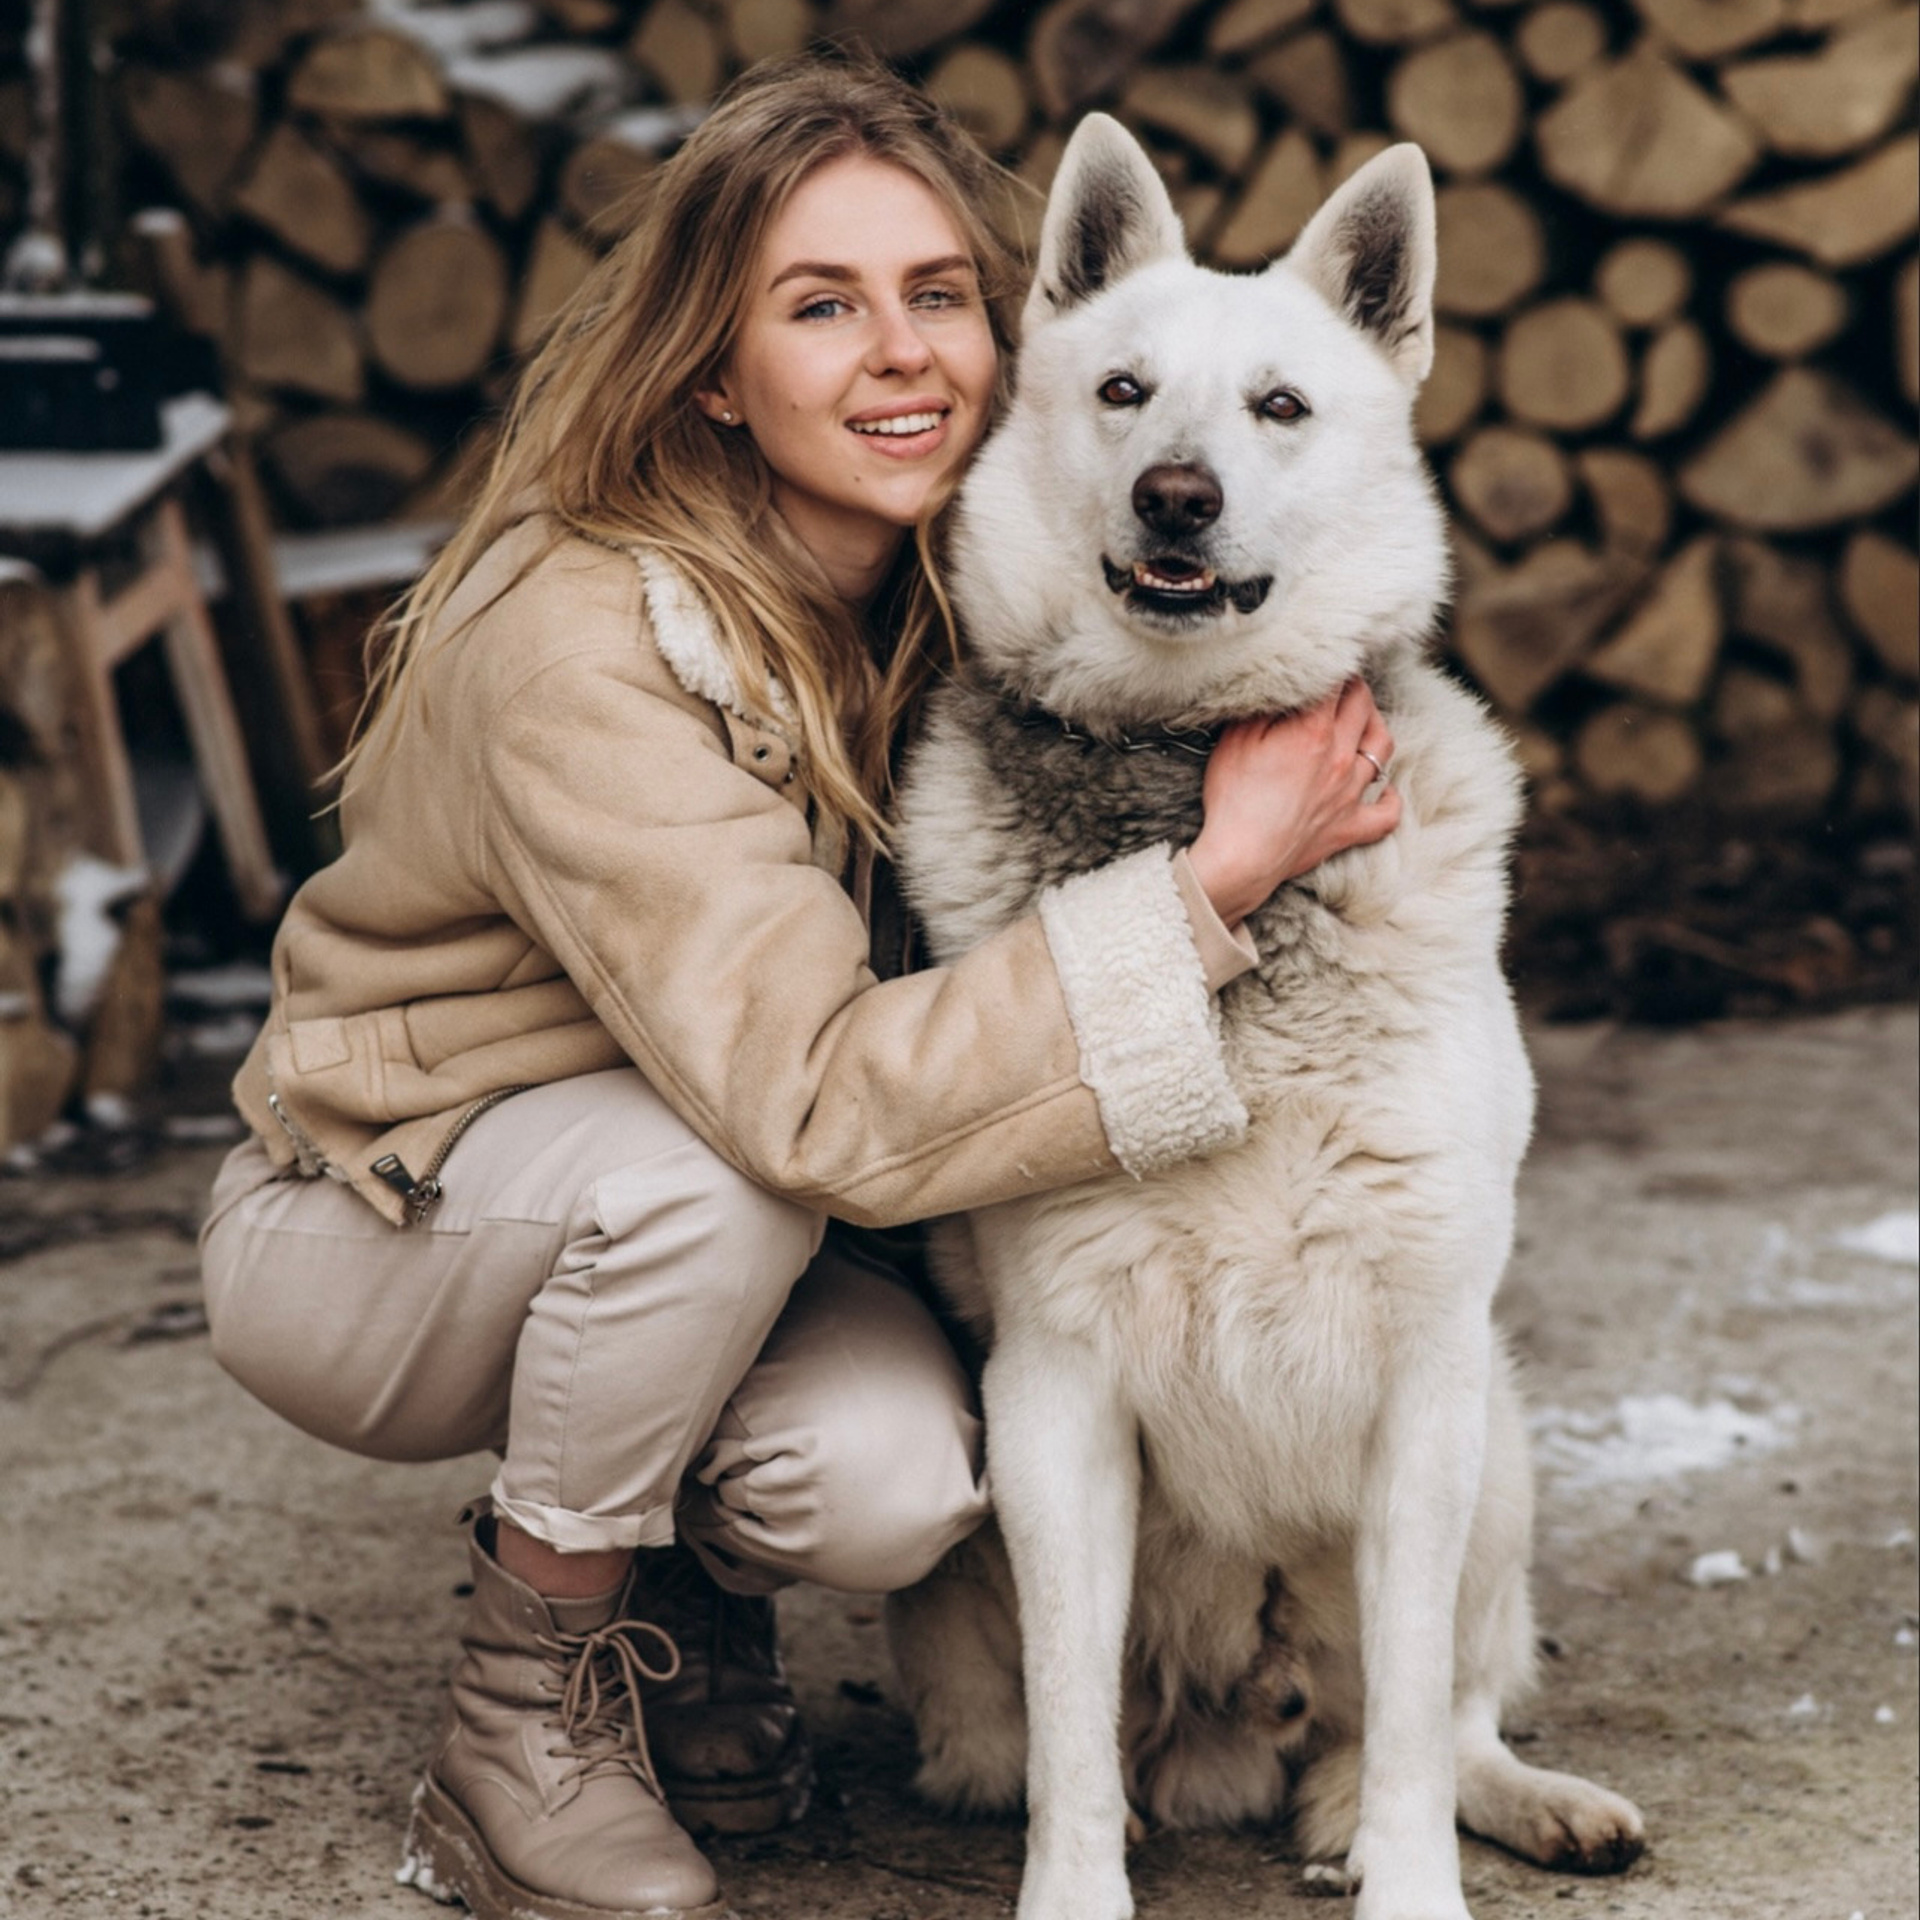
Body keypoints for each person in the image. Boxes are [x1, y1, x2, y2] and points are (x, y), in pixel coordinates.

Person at [197, 49, 1401, 1920]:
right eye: (822, 306)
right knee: (709, 1183)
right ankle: (521, 1718)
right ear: (711, 365)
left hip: (712, 1203)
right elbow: (811, 1102)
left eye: (938, 295)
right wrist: (1214, 885)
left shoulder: (961, 587)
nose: (902, 353)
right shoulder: (584, 640)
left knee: (889, 1476)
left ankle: (681, 1594)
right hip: (396, 1210)